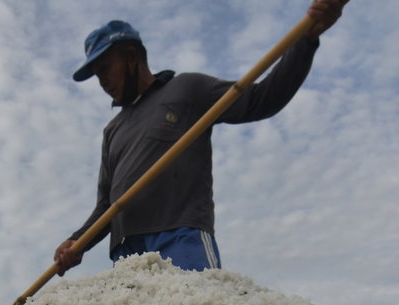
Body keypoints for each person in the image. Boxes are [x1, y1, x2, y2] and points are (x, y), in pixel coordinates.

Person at [54, 0, 345, 275]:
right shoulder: (112, 130)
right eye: (96, 74)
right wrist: (77, 242)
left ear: (131, 56)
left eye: (105, 69)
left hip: (180, 237)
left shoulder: (186, 89)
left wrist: (305, 42)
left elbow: (263, 99)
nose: (102, 81)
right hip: (125, 250)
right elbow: (106, 205)